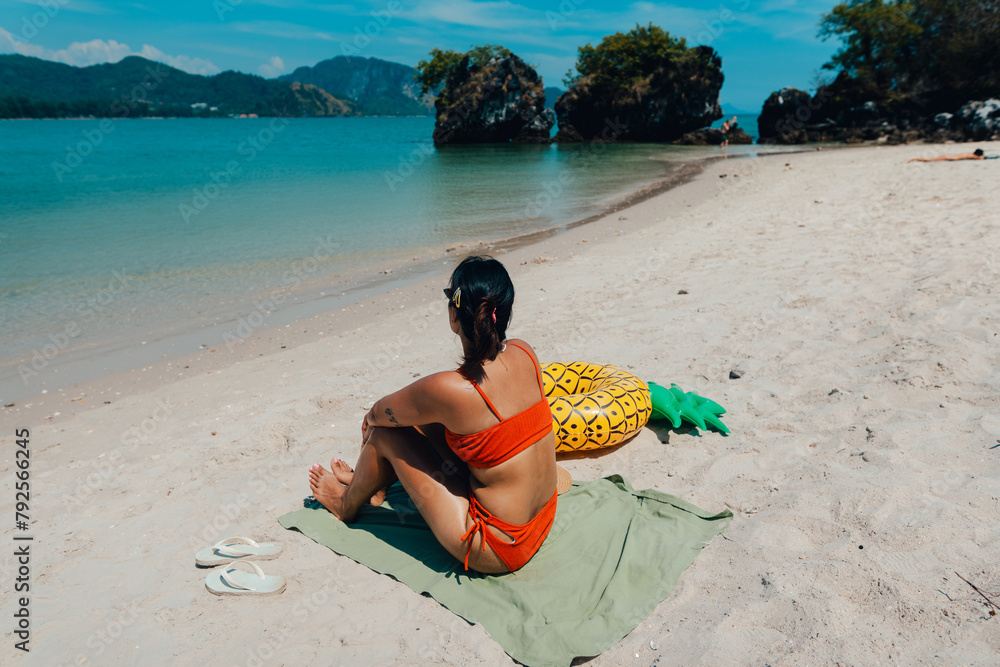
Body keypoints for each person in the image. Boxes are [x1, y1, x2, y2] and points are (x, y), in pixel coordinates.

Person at [308, 255, 559, 574]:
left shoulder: (453, 389)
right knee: (427, 420)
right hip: (544, 518)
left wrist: (370, 427)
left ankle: (346, 504)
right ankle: (371, 481)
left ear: (455, 316)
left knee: (386, 432)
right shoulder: (525, 351)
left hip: (498, 547)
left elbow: (377, 414)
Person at [907, 148, 999, 162]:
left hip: (949, 156)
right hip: (949, 158)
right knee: (930, 160)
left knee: (931, 160)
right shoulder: (973, 156)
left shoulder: (970, 154)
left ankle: (914, 158)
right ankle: (913, 158)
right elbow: (980, 158)